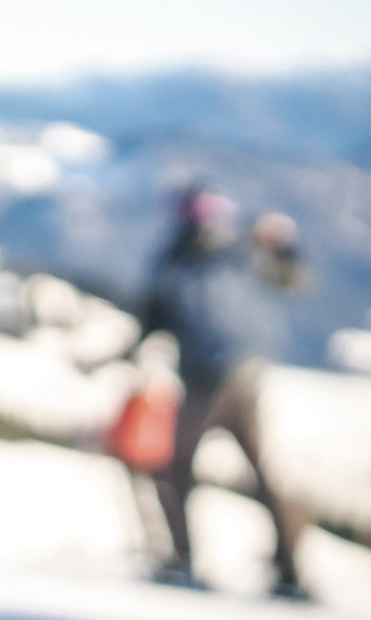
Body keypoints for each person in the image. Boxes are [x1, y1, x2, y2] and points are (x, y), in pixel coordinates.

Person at [141, 185, 309, 600]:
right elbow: (291, 280)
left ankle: (183, 562)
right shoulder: (240, 250)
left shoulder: (178, 261)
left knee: (176, 469)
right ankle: (289, 570)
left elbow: (154, 316)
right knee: (262, 473)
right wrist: (284, 246)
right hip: (244, 377)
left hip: (206, 381)